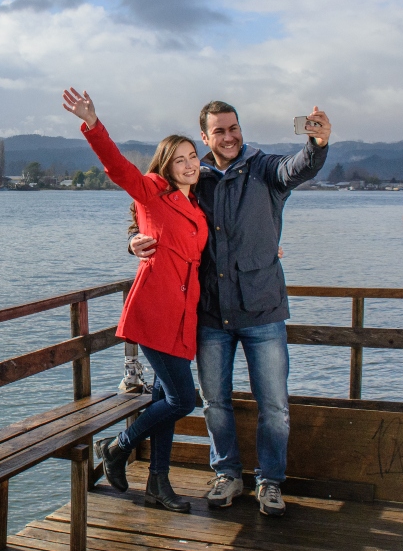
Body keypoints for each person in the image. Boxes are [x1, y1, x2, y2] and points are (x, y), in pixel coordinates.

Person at [130, 100, 329, 517]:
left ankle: (270, 482)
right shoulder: (194, 177)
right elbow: (150, 209)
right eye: (218, 131)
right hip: (210, 313)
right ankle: (227, 474)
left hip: (263, 310)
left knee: (274, 405)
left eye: (233, 128)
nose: (229, 136)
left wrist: (317, 142)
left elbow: (300, 167)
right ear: (205, 138)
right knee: (214, 402)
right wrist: (134, 242)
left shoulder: (266, 170)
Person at [62, 87, 206, 513]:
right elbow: (117, 167)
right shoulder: (152, 192)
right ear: (165, 164)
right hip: (154, 312)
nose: (189, 164)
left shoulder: (196, 205)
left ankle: (158, 484)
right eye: (180, 158)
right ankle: (118, 446)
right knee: (184, 400)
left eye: (193, 156)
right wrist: (93, 123)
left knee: (166, 398)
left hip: (183, 317)